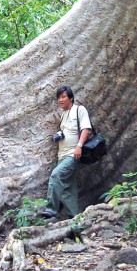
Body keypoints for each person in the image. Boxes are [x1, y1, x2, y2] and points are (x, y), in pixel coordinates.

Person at [43, 85, 91, 219]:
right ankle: (75, 218)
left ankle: (51, 209)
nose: (60, 100)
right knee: (67, 189)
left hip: (73, 154)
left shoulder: (79, 110)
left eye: (63, 97)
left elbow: (86, 129)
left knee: (56, 175)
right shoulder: (63, 115)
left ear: (71, 98)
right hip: (62, 155)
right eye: (58, 97)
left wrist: (79, 146)